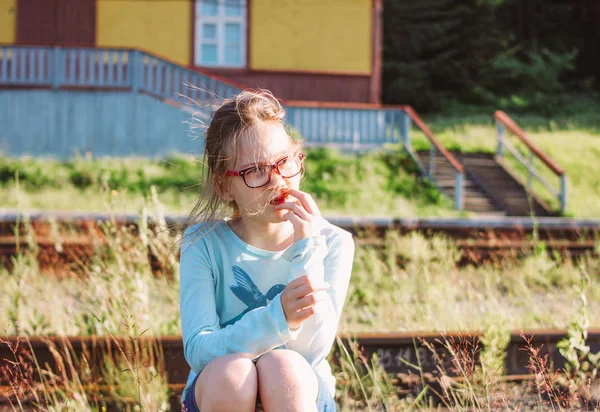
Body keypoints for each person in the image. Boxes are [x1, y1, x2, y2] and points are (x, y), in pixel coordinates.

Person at [179, 89, 355, 412]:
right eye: (255, 171)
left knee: (283, 368)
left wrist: (307, 248)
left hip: (301, 393)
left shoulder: (332, 243)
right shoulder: (201, 244)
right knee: (232, 374)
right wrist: (279, 317)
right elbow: (199, 349)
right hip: (220, 392)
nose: (278, 181)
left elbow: (313, 351)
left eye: (284, 161)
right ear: (223, 185)